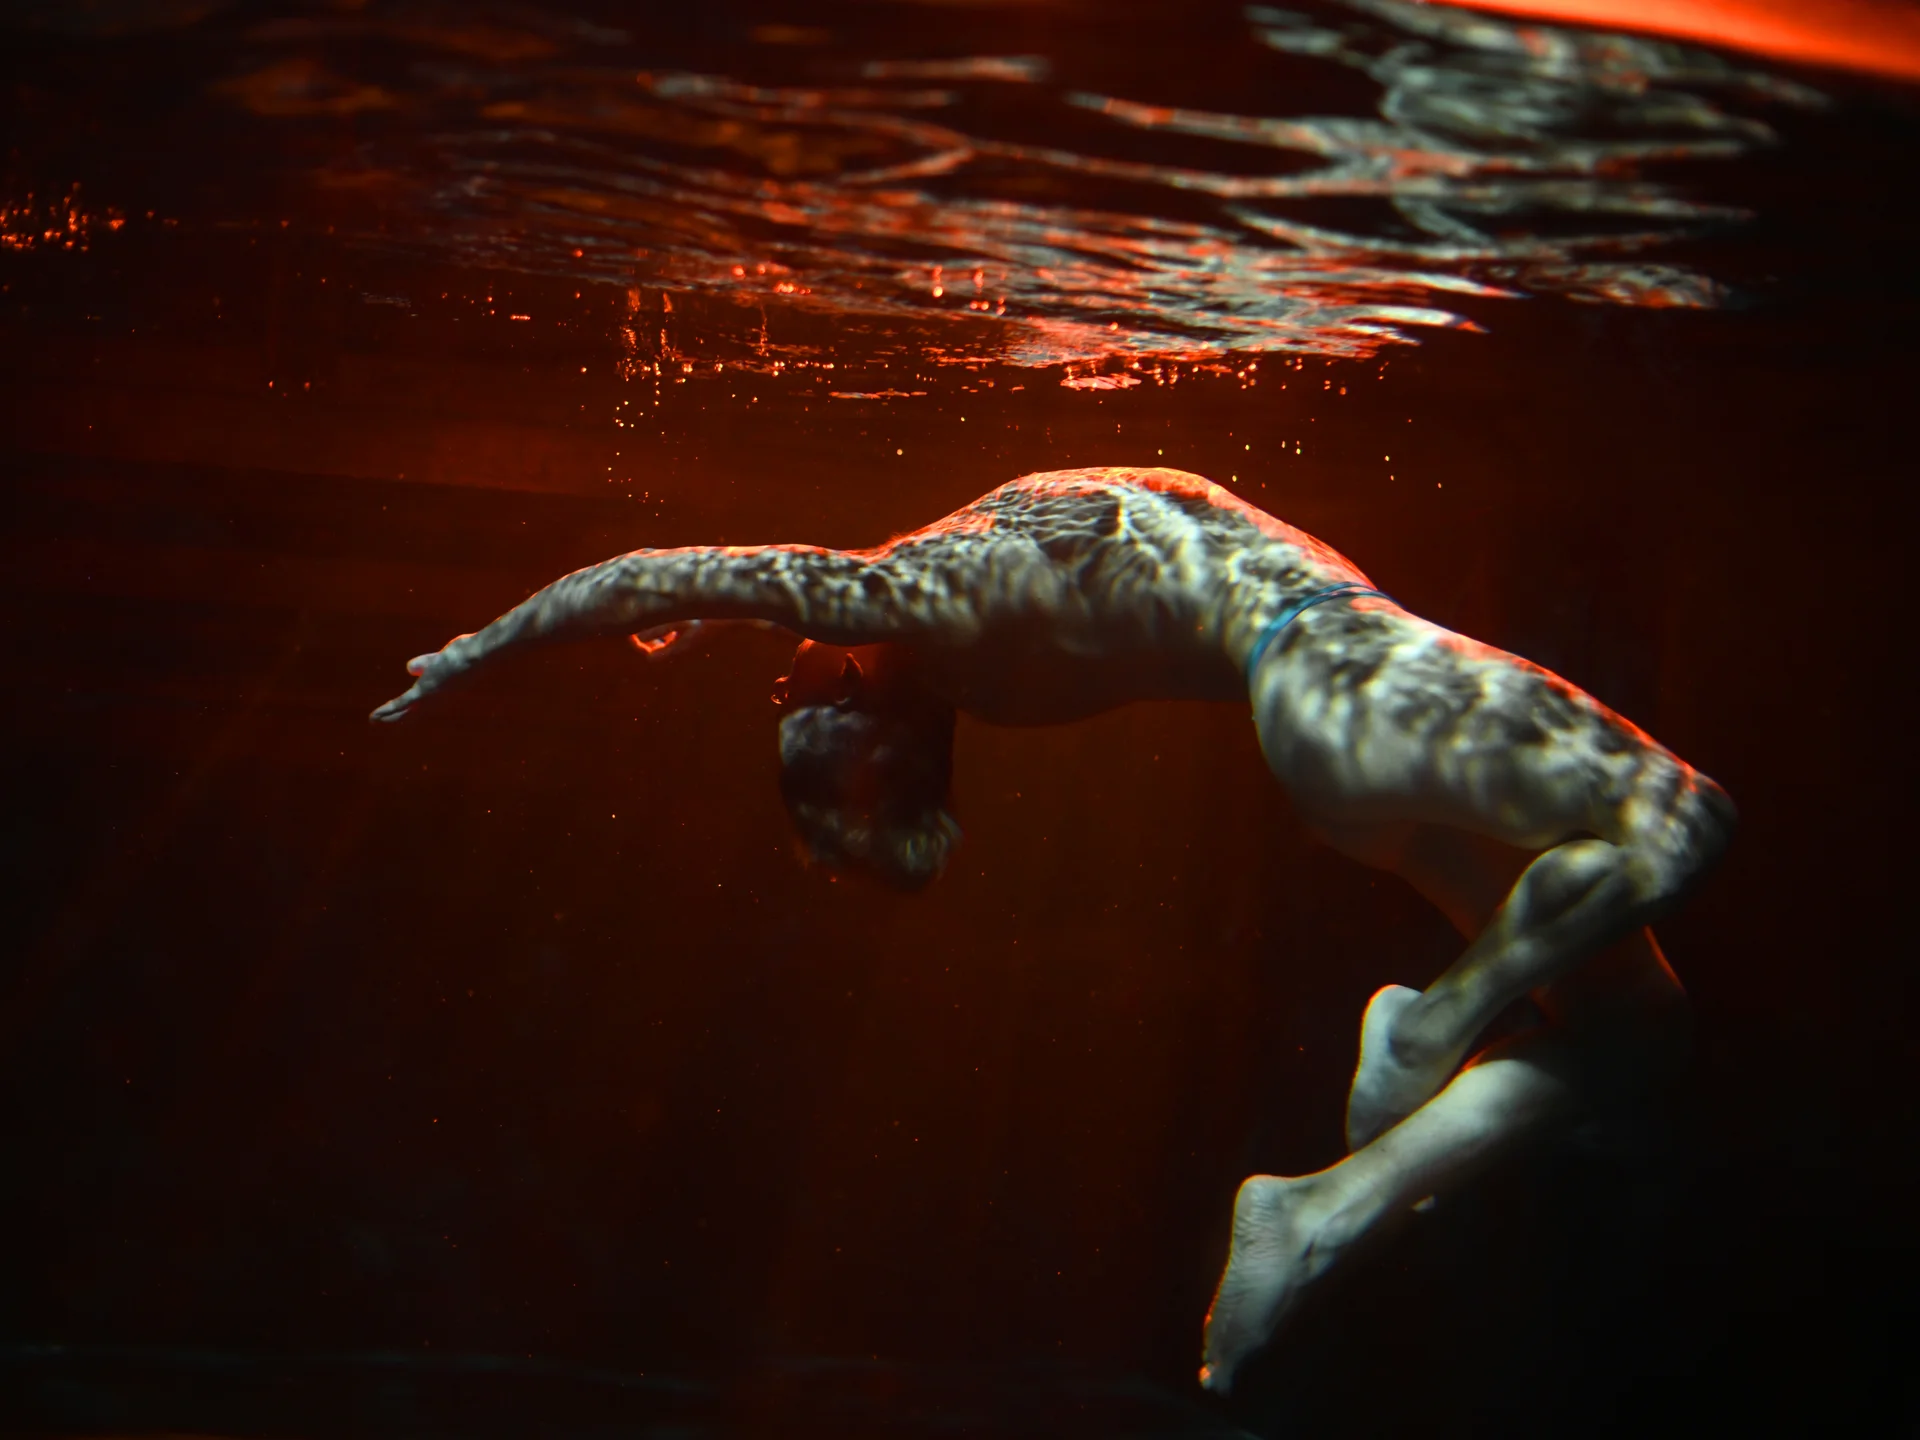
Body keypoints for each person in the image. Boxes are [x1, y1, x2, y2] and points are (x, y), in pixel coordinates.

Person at [372, 465, 1733, 1393]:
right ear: (845, 682)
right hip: (1347, 668)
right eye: (790, 693)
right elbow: (649, 572)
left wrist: (676, 623)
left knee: (1637, 1035)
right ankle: (1432, 1029)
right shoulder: (905, 597)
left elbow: (684, 594)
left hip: (1331, 732)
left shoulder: (957, 641)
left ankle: (1320, 1214)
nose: (777, 674)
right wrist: (475, 652)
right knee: (1680, 816)